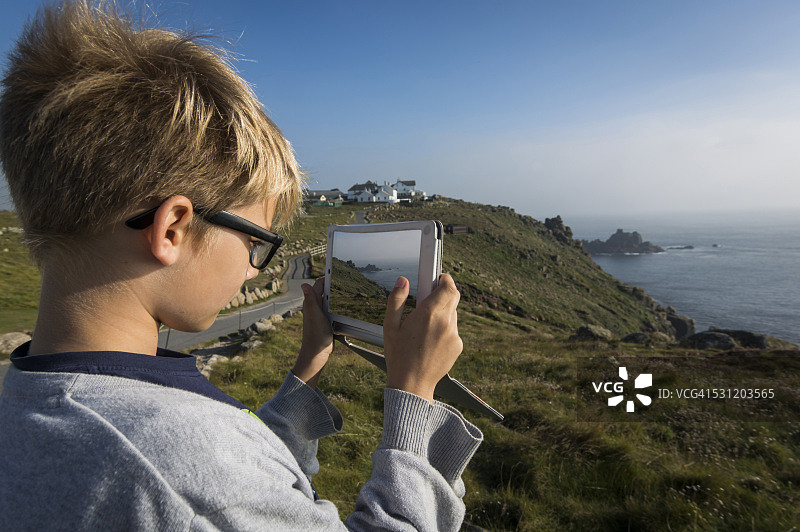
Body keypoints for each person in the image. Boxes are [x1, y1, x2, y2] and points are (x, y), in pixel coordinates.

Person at [0, 1, 482, 530]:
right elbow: (207, 481)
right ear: (173, 229)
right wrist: (413, 399)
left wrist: (307, 370)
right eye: (257, 243)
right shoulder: (183, 468)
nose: (255, 270)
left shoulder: (30, 401)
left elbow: (240, 486)